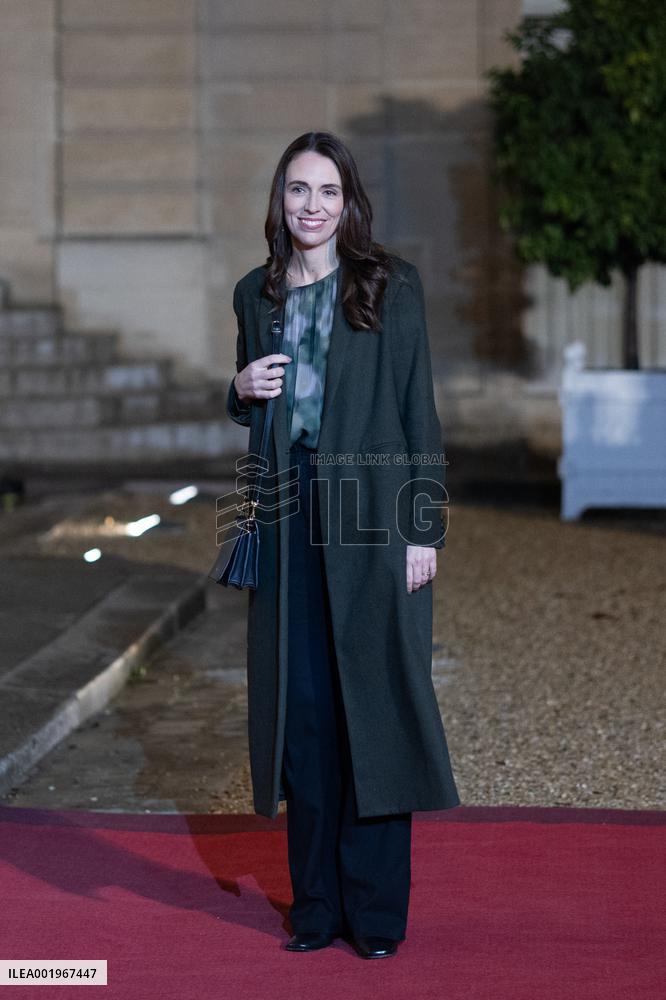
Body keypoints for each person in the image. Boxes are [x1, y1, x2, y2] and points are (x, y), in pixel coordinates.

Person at [226, 131, 460, 959]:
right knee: (306, 716)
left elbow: (418, 413)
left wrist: (422, 528)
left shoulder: (391, 286)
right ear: (279, 201)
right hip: (287, 511)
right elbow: (256, 399)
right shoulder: (257, 293)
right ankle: (316, 909)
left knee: (374, 706)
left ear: (349, 201)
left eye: (327, 191)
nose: (311, 207)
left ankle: (377, 916)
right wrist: (239, 387)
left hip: (371, 513)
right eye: (297, 190)